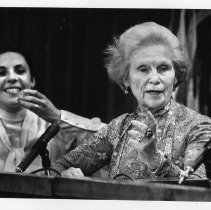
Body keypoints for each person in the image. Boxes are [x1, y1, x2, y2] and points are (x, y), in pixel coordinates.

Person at [52, 22, 211, 180]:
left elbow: (197, 186)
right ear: (126, 79)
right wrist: (67, 175)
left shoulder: (199, 127)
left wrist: (154, 159)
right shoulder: (117, 128)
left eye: (163, 68)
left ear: (176, 76)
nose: (155, 79)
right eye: (143, 69)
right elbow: (57, 168)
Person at [0, 48, 105, 173]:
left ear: (32, 80)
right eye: (1, 73)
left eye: (20, 71)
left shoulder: (54, 127)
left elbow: (112, 140)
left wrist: (58, 116)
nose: (12, 78)